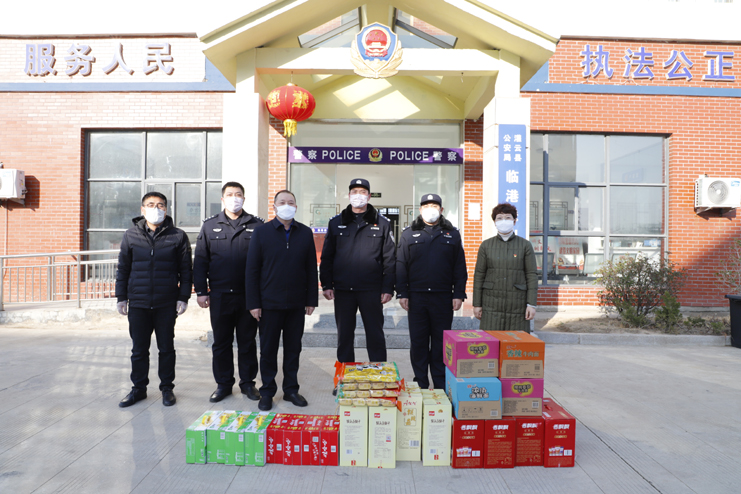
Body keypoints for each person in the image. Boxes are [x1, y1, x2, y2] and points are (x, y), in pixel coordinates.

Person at [115, 192, 192, 408]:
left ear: (166, 209)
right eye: (150, 205)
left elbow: (186, 270)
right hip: (138, 302)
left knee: (166, 348)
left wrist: (183, 297)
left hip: (166, 302)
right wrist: (121, 297)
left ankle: (167, 388)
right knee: (139, 350)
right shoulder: (131, 235)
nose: (155, 209)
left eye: (160, 205)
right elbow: (123, 268)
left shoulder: (178, 236)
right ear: (142, 209)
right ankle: (138, 388)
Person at [245, 190, 318, 411]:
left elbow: (310, 268)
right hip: (269, 304)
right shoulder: (262, 232)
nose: (287, 205)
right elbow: (252, 270)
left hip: (296, 303)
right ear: (274, 206)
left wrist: (311, 299)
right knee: (268, 351)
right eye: (282, 202)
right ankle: (267, 391)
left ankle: (291, 390)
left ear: (296, 206)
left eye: (291, 202)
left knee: (293, 349)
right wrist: (254, 303)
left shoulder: (304, 233)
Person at [194, 182, 264, 403]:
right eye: (230, 194)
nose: (235, 198)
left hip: (248, 296)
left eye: (238, 194)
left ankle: (248, 383)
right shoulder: (209, 226)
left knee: (247, 341)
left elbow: (264, 262)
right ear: (223, 199)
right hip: (220, 294)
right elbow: (201, 261)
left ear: (244, 198)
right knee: (221, 342)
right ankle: (223, 384)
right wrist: (201, 291)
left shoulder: (257, 225)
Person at [320, 178, 395, 370]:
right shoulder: (336, 223)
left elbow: (389, 259)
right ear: (348, 195)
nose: (358, 195)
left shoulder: (382, 223)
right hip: (343, 290)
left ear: (369, 196)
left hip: (372, 290)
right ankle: (345, 376)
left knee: (375, 335)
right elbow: (327, 257)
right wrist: (326, 284)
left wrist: (388, 288)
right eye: (354, 192)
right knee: (344, 336)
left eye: (362, 192)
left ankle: (379, 374)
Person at [396, 193, 467, 389]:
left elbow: (459, 267)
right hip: (416, 297)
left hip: (442, 298)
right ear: (420, 210)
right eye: (426, 206)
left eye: (435, 206)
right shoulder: (408, 233)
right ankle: (420, 382)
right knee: (418, 342)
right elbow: (401, 264)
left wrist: (458, 293)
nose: (431, 209)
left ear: (441, 210)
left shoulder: (452, 234)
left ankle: (440, 384)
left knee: (440, 343)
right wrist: (402, 292)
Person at [472, 203, 537, 332]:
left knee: (516, 342)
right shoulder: (486, 246)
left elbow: (531, 275)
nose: (504, 221)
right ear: (495, 222)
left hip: (517, 305)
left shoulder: (525, 245)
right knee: (491, 341)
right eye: (499, 218)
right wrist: (477, 304)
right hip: (491, 305)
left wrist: (531, 304)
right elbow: (479, 275)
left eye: (508, 217)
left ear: (514, 221)